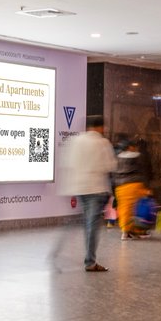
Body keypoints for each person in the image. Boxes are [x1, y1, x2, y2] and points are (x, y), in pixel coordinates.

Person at [60, 115, 117, 271]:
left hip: (80, 188)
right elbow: (111, 165)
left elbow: (69, 163)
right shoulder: (103, 143)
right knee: (92, 225)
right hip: (96, 189)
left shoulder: (77, 140)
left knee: (88, 223)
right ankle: (90, 261)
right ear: (101, 127)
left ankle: (89, 259)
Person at [113, 139, 150, 239]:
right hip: (134, 185)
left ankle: (125, 231)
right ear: (129, 147)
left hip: (120, 186)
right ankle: (135, 230)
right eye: (133, 146)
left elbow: (114, 172)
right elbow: (143, 171)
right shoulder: (137, 156)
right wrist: (146, 187)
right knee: (135, 209)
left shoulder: (118, 157)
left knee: (124, 209)